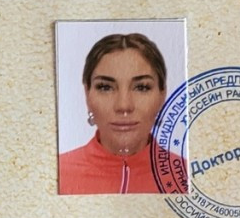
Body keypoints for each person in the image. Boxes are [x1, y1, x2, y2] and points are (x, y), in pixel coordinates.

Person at [58, 32, 184, 194]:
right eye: (105, 87)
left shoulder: (187, 176)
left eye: (142, 87)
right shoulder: (56, 173)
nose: (124, 106)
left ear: (162, 95)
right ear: (87, 94)